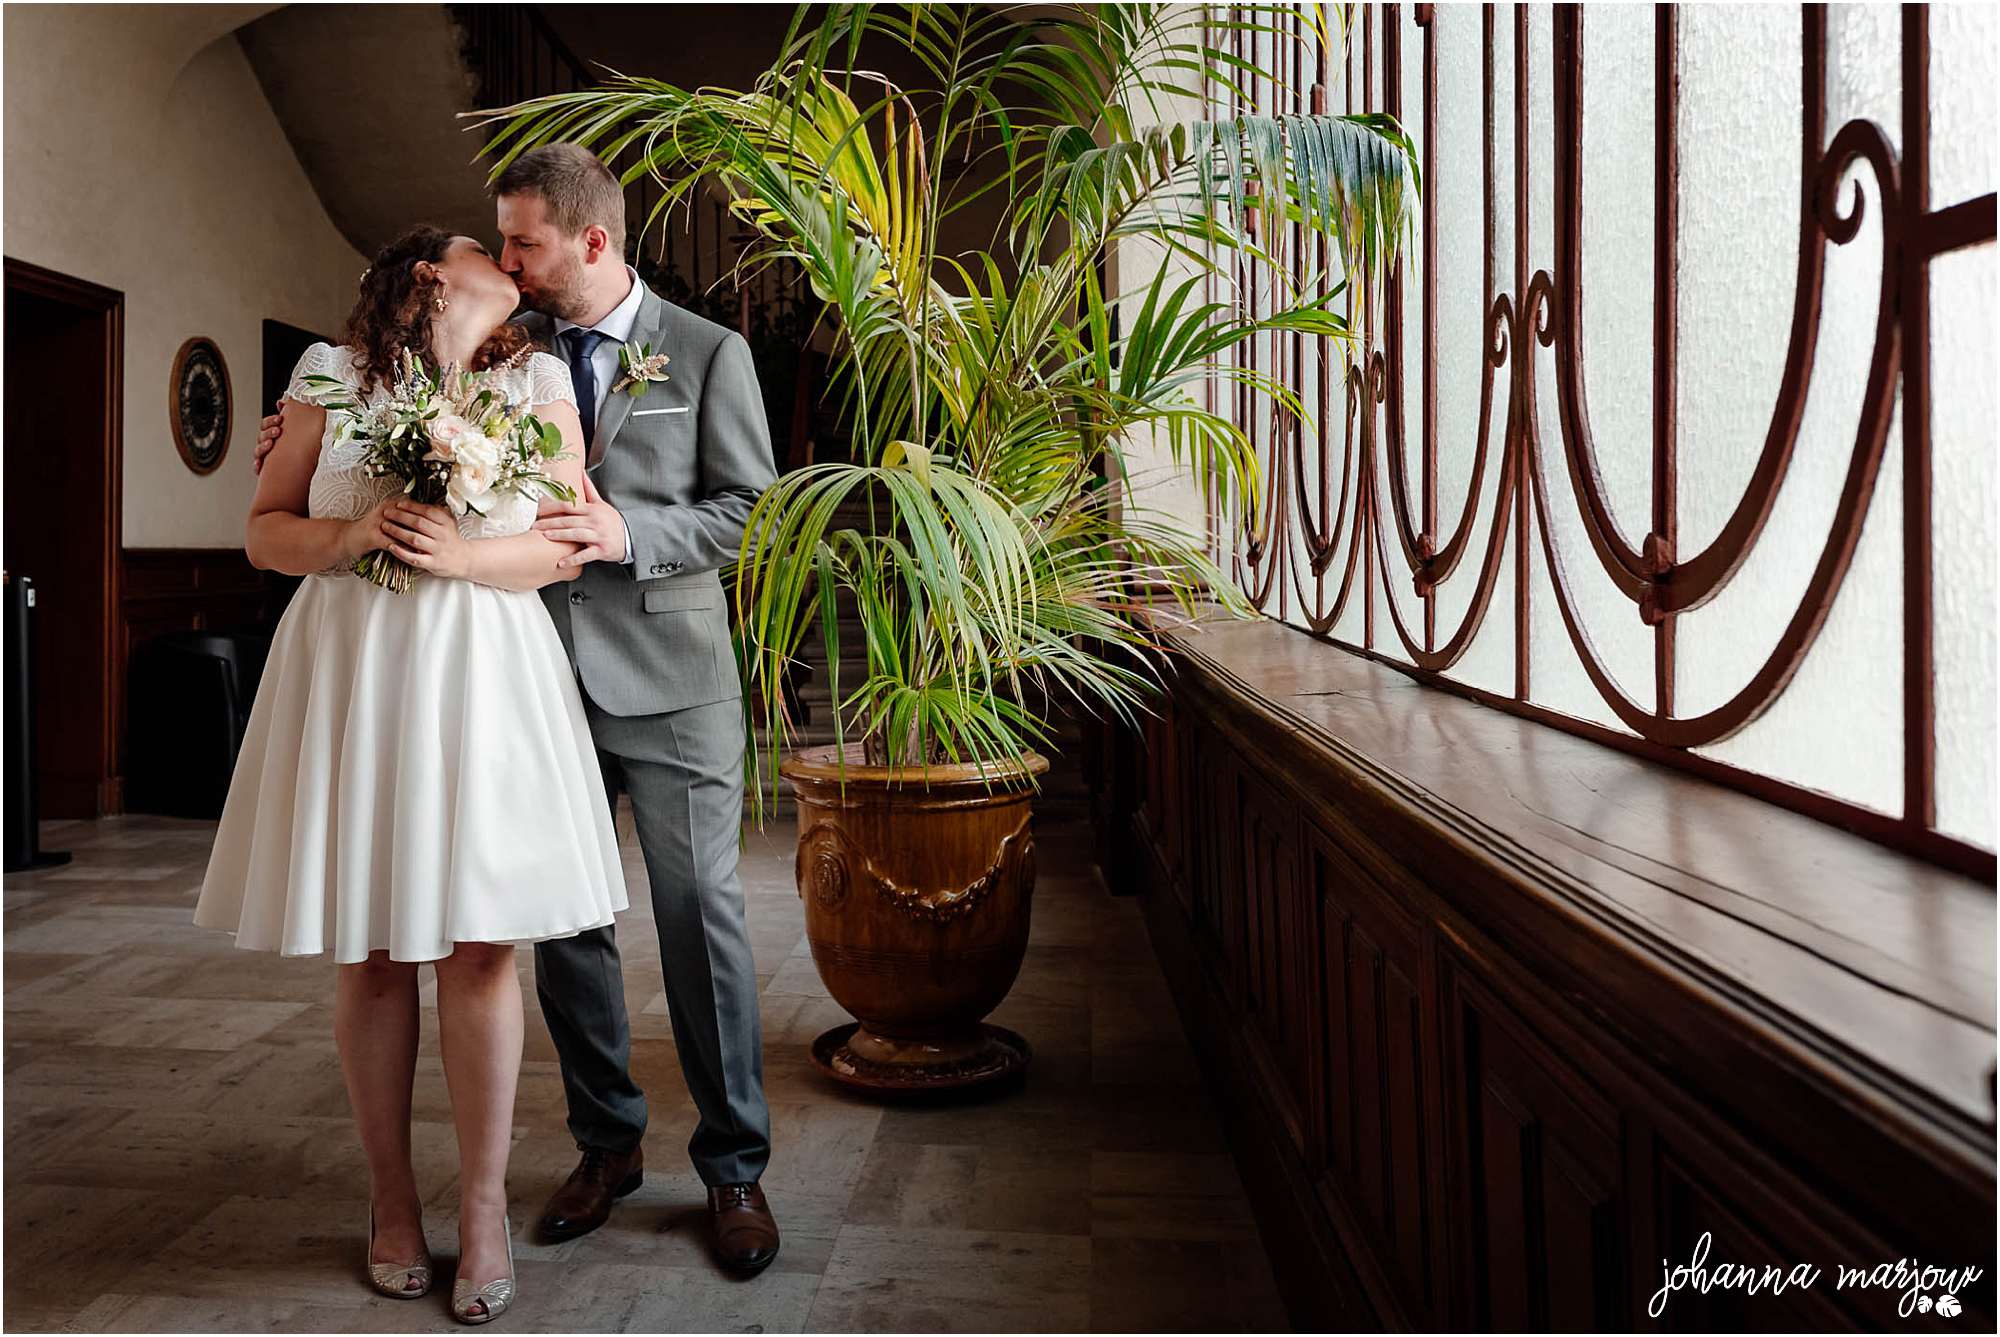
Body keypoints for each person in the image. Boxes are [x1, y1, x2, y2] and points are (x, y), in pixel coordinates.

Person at [255, 143, 783, 1274]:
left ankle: (734, 1165)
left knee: (700, 920)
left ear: (593, 241)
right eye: (495, 243)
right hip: (519, 675)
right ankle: (606, 1144)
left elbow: (753, 510)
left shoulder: (705, 351)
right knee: (561, 931)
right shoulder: (513, 348)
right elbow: (372, 429)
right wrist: (314, 449)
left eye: (523, 243)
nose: (504, 259)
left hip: (669, 676)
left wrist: (630, 532)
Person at [201, 224, 627, 1324]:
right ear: (436, 275)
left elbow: (563, 539)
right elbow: (264, 532)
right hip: (359, 666)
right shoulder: (327, 375)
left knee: (482, 943)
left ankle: (481, 1208)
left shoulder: (535, 379)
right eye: (485, 247)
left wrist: (467, 557)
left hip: (483, 665)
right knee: (378, 945)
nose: (509, 261)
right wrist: (346, 542)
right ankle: (393, 1200)